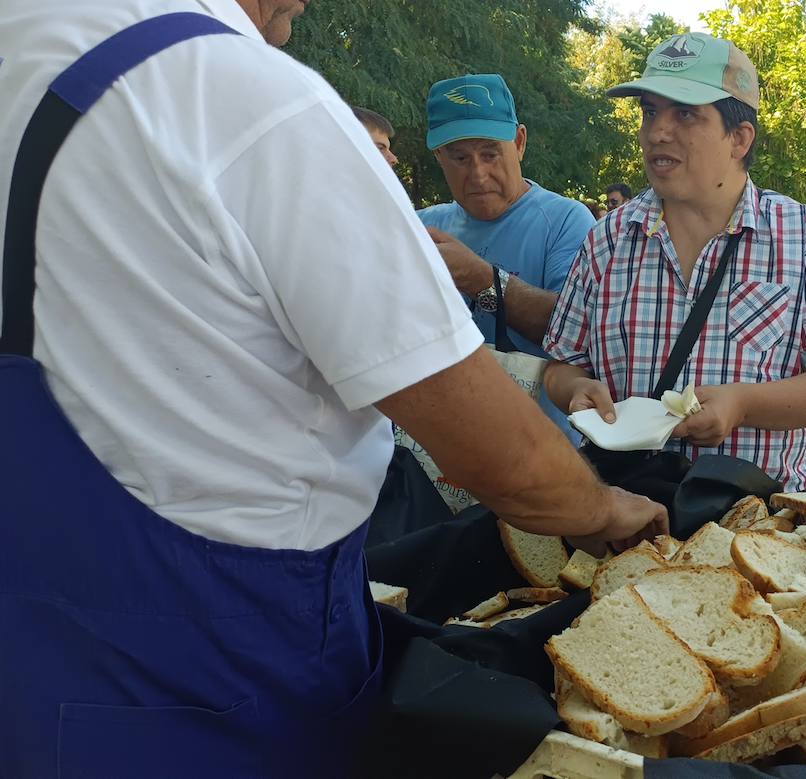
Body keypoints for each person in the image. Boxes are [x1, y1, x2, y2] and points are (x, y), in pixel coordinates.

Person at [0, 1, 668, 775]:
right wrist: (602, 509)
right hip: (229, 655)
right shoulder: (249, 97)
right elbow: (496, 451)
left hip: (36, 624)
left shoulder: (25, 38)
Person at [543, 32, 806, 490]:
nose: (658, 131)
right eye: (650, 112)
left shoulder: (802, 240)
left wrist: (742, 404)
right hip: (620, 513)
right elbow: (561, 365)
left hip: (757, 519)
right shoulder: (608, 240)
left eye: (684, 114)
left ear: (739, 138)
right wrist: (574, 390)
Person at [417, 74, 596, 440]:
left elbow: (579, 333)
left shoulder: (566, 220)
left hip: (544, 455)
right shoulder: (421, 226)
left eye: (489, 153)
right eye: (460, 157)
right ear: (439, 157)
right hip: (442, 454)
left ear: (519, 143)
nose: (478, 174)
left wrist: (484, 282)